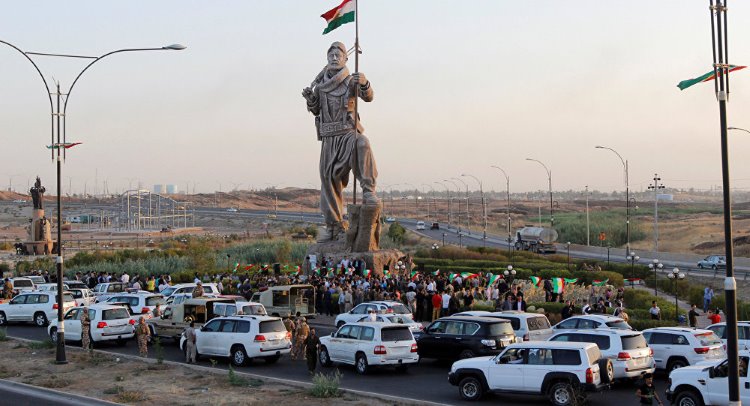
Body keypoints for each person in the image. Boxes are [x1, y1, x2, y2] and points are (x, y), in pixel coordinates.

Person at [302, 41, 379, 242]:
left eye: (338, 55)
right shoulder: (320, 86)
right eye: (331, 55)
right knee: (328, 181)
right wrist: (310, 98)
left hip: (347, 132)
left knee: (363, 144)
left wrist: (364, 83)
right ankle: (333, 225)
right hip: (329, 138)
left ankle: (369, 190)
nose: (334, 58)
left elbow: (368, 97)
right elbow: (316, 109)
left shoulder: (350, 80)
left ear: (346, 58)